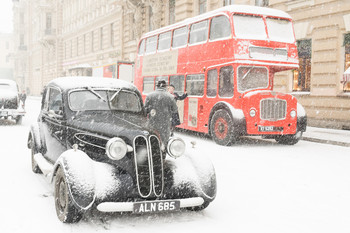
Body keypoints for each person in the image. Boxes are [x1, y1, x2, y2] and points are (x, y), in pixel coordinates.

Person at [144, 80, 178, 147]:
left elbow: (145, 110)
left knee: (152, 141)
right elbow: (175, 110)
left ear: (157, 86)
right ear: (165, 87)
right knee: (164, 142)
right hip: (165, 124)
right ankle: (162, 151)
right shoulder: (171, 97)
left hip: (152, 123)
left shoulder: (150, 96)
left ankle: (152, 152)